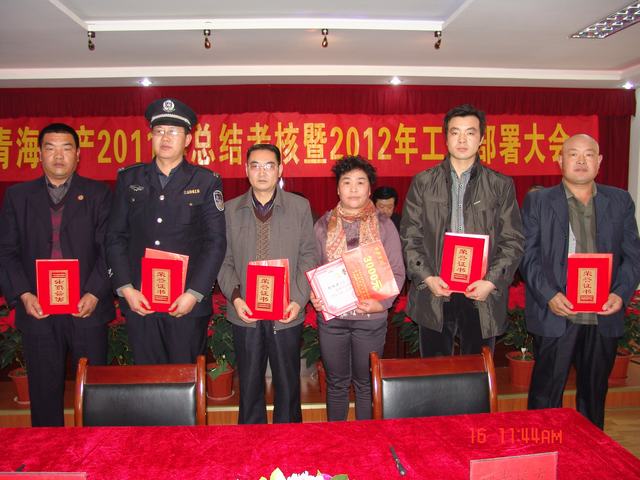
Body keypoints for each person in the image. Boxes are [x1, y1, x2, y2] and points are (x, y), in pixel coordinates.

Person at [521, 133, 640, 429]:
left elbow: (632, 256)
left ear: (599, 161)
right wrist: (549, 295)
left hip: (603, 314)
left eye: (588, 154)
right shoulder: (539, 201)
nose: (581, 160)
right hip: (557, 312)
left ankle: (590, 452)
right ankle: (542, 449)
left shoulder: (620, 200)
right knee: (545, 395)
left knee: (594, 396)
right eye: (573, 154)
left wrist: (620, 294)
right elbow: (527, 255)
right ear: (560, 160)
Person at [0, 123, 113, 426]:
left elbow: (110, 250)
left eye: (66, 148)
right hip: (38, 308)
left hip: (86, 308)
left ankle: (98, 449)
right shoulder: (18, 196)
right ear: (39, 154)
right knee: (43, 394)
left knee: (94, 394)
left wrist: (95, 292)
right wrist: (24, 294)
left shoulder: (99, 194)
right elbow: (6, 251)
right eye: (50, 148)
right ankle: (48, 452)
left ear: (78, 155)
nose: (58, 156)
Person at [106, 98, 226, 364]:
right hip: (140, 300)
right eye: (159, 131)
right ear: (151, 136)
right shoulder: (130, 179)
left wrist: (194, 293)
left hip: (186, 303)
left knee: (186, 377)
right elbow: (115, 237)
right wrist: (126, 288)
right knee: (148, 378)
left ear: (188, 139)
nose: (165, 138)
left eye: (173, 131)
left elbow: (215, 242)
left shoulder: (206, 181)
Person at [400, 104, 524, 357]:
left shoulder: (500, 184)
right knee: (434, 371)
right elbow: (410, 236)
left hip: (481, 292)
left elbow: (513, 240)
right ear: (446, 138)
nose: (462, 139)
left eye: (470, 132)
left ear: (482, 139)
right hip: (435, 289)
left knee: (477, 370)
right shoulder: (423, 182)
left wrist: (491, 281)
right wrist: (427, 277)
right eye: (455, 132)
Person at [217, 144, 317, 424]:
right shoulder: (229, 210)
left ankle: (289, 442)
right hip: (245, 312)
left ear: (280, 170)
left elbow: (309, 256)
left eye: (269, 165)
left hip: (287, 311)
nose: (262, 172)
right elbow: (222, 260)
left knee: (288, 384)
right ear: (246, 170)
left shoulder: (299, 207)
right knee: (249, 386)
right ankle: (251, 443)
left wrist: (297, 299)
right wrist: (236, 298)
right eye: (255, 166)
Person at [311, 156, 405, 421]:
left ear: (369, 189)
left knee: (366, 384)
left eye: (360, 182)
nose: (353, 189)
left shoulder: (384, 226)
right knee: (336, 383)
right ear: (338, 189)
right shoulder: (322, 226)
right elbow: (311, 267)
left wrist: (381, 304)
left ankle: (366, 440)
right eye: (347, 182)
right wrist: (314, 294)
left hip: (370, 320)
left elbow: (398, 272)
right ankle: (336, 439)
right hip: (333, 320)